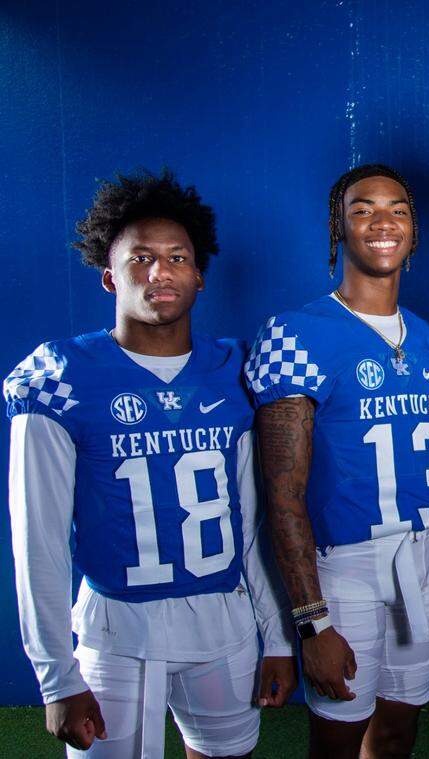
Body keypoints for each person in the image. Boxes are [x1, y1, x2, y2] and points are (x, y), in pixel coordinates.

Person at [4, 170, 295, 759]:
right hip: (116, 628)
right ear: (110, 276)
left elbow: (253, 522)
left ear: (199, 275)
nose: (160, 272)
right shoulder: (61, 378)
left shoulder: (238, 370)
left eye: (177, 258)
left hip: (224, 620)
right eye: (141, 258)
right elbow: (39, 540)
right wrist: (57, 677)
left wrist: (279, 637)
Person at [246, 164, 429, 759]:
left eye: (397, 210)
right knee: (337, 736)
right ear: (338, 228)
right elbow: (282, 494)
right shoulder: (295, 333)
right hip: (342, 563)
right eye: (362, 209)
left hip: (421, 554)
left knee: (398, 731)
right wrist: (312, 620)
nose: (383, 222)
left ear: (414, 231)